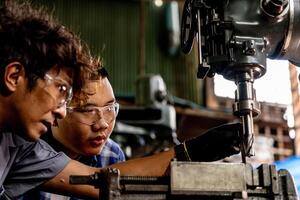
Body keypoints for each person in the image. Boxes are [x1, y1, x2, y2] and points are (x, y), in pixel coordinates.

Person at [0, 1, 242, 199]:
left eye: (109, 109)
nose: (61, 111)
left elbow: (97, 180)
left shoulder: (21, 148)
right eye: (61, 89)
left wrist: (193, 151)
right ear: (14, 76)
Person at [21, 59, 125, 200]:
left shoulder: (111, 156)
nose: (103, 124)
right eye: (88, 111)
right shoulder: (25, 152)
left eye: (109, 108)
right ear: (57, 110)